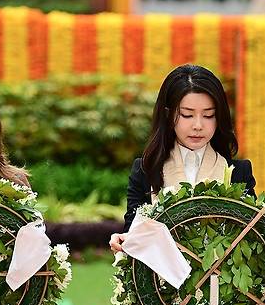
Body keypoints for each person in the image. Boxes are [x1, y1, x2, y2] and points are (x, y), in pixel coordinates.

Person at [109, 64, 256, 252]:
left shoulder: (238, 172)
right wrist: (123, 240)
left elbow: (254, 234)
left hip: (219, 280)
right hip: (161, 280)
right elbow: (133, 231)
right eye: (187, 115)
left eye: (209, 115)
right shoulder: (147, 169)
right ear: (168, 115)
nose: (198, 125)